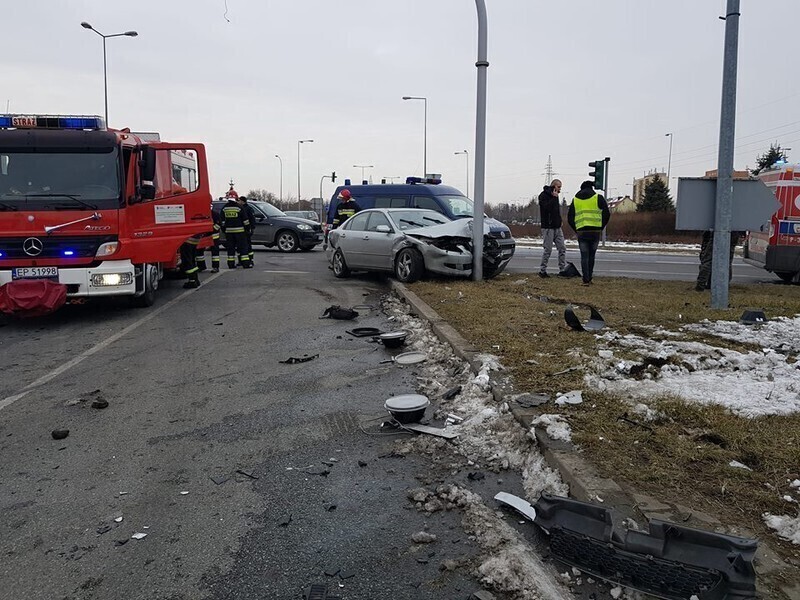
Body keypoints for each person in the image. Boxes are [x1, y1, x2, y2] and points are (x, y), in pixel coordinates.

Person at [567, 180, 610, 286]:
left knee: (584, 256)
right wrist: (601, 226)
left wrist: (576, 229)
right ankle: (590, 277)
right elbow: (607, 214)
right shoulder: (598, 198)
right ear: (591, 188)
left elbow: (570, 218)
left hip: (582, 232)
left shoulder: (576, 200)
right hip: (595, 231)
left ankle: (585, 279)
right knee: (592, 255)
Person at [538, 179, 568, 278]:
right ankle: (542, 271)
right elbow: (547, 208)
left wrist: (559, 220)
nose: (560, 189)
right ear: (554, 186)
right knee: (548, 250)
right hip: (548, 227)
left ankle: (562, 269)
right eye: (559, 187)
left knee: (562, 248)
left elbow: (556, 210)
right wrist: (554, 198)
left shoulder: (556, 196)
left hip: (557, 227)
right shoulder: (543, 196)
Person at [221, 196, 251, 269]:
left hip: (229, 232)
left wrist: (224, 230)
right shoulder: (239, 207)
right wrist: (247, 229)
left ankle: (231, 264)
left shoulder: (224, 208)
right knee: (243, 248)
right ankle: (245, 264)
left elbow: (222, 221)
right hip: (240, 232)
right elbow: (245, 220)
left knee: (230, 248)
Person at [196, 205, 222, 273]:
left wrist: (211, 230)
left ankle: (215, 267)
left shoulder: (215, 214)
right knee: (199, 251)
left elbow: (218, 224)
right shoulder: (201, 214)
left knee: (215, 252)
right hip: (203, 236)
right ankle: (201, 266)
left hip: (213, 236)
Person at [239, 196, 256, 266]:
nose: (238, 202)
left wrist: (252, 228)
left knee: (248, 245)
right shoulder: (240, 208)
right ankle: (241, 260)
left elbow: (252, 219)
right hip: (241, 230)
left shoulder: (248, 209)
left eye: (239, 200)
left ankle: (250, 260)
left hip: (247, 229)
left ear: (242, 201)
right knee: (241, 246)